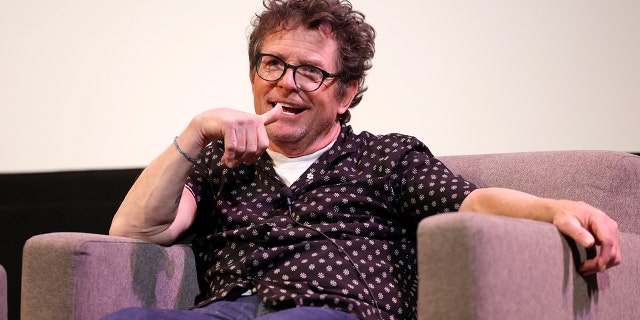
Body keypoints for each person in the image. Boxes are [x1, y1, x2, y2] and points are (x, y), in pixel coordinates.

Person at [105, 0, 621, 319]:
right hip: (226, 312)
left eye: (310, 72)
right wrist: (196, 132)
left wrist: (551, 209)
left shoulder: (385, 156)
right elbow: (135, 233)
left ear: (346, 93)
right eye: (273, 65)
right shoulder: (222, 161)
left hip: (333, 310)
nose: (286, 82)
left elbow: (472, 202)